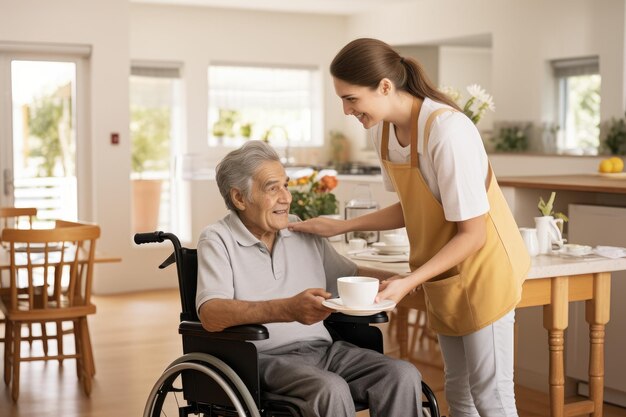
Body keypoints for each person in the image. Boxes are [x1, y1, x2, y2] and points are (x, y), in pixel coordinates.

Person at [289, 38, 531, 417]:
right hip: (444, 272)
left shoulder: (448, 131)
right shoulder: (382, 132)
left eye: (351, 98)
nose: (346, 109)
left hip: (484, 271)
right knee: (458, 390)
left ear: (385, 87)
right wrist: (342, 226)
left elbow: (474, 233)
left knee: (491, 396)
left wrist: (408, 281)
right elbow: (415, 205)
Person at [196, 140, 423, 417]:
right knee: (330, 388)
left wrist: (403, 280)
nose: (286, 197)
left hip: (324, 351)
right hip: (262, 359)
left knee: (401, 374)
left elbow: (351, 276)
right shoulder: (217, 239)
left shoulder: (299, 230)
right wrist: (286, 309)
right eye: (272, 188)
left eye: (286, 185)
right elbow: (211, 313)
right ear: (239, 198)